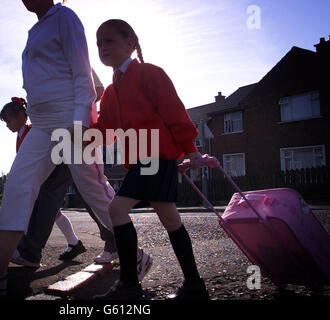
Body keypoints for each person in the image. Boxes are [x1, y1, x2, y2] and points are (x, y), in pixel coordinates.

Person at [0, 1, 152, 296]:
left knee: (93, 190)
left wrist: (80, 121)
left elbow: (82, 75)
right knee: (19, 183)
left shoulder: (65, 18)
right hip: (43, 123)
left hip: (70, 119)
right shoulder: (36, 29)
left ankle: (136, 256)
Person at [91, 19, 209, 300]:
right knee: (170, 220)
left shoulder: (150, 74)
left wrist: (191, 150)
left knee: (116, 210)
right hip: (142, 160)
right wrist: (76, 135)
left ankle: (130, 285)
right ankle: (194, 285)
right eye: (98, 43)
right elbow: (105, 131)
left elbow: (175, 112)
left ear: (130, 43)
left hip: (156, 156)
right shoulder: (109, 92)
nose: (102, 47)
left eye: (108, 40)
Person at [0, 96, 87, 261]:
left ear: (21, 116)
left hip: (46, 171)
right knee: (50, 211)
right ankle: (74, 242)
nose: (7, 125)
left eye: (8, 121)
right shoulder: (22, 134)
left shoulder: (32, 132)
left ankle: (19, 245)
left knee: (39, 209)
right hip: (42, 173)